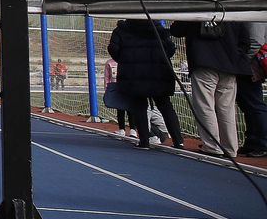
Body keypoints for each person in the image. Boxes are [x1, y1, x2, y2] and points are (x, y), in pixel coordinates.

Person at [172, 18, 251, 158]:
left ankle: (212, 146)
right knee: (227, 108)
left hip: (204, 63)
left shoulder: (197, 10)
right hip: (229, 66)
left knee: (204, 106)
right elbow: (245, 41)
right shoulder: (232, 12)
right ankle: (230, 147)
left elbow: (176, 30)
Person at [107, 18, 185, 150]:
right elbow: (171, 49)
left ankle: (144, 141)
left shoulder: (122, 30)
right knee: (165, 105)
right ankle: (178, 140)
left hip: (134, 73)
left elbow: (113, 49)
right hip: (159, 73)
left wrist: (126, 59)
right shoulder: (158, 29)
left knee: (138, 106)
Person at [238, 21, 267, 158]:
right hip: (249, 65)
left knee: (254, 104)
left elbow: (256, 42)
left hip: (249, 66)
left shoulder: (254, 17)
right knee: (248, 105)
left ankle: (262, 143)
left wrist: (241, 61)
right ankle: (253, 141)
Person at [102, 56, 132, 139]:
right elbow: (107, 77)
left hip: (127, 86)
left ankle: (131, 129)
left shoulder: (129, 60)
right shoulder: (109, 62)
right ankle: (123, 129)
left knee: (129, 109)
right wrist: (107, 89)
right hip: (117, 87)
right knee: (121, 108)